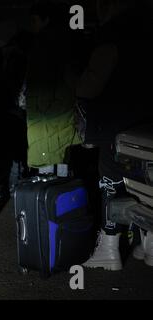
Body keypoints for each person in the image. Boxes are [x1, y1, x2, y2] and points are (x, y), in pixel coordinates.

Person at [75, 0, 153, 270]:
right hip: (147, 124)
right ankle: (148, 247)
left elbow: (92, 82)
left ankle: (109, 248)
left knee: (111, 182)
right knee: (146, 183)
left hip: (117, 125)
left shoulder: (114, 33)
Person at [25, 1, 81, 176]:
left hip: (46, 113)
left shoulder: (44, 44)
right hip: (52, 113)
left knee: (50, 163)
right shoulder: (60, 42)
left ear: (46, 20)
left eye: (34, 20)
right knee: (60, 160)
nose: (31, 25)